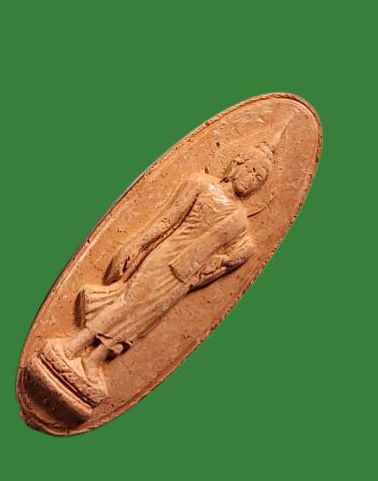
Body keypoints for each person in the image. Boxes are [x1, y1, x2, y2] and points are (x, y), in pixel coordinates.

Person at [40, 142, 273, 396]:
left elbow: (231, 257)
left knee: (145, 319)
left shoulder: (239, 221)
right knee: (129, 303)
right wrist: (135, 244)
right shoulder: (201, 185)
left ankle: (95, 359)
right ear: (237, 163)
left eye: (258, 179)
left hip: (186, 275)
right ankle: (74, 345)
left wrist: (232, 259)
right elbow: (167, 219)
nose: (252, 180)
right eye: (251, 170)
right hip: (165, 258)